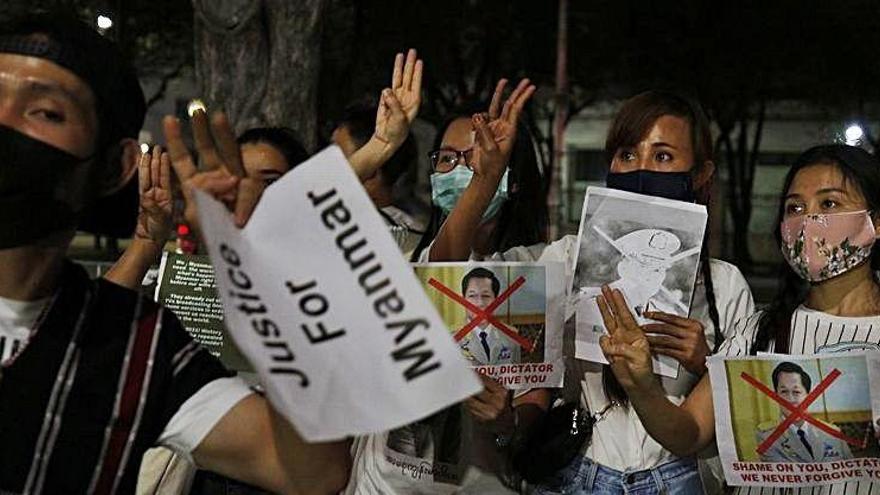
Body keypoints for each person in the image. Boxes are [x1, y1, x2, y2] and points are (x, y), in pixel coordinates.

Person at [0, 12, 349, 494]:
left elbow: (315, 470)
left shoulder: (138, 350)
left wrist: (260, 269)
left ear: (113, 166)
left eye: (44, 111)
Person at [429, 90, 754, 494]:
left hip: (675, 474)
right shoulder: (565, 259)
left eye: (663, 156)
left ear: (701, 174)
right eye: (628, 155)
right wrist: (484, 180)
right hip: (580, 470)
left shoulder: (725, 286)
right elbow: (444, 276)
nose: (642, 169)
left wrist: (706, 363)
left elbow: (745, 420)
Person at [599, 144, 880, 494]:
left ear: (876, 222)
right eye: (795, 207)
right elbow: (689, 433)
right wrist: (642, 385)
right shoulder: (757, 333)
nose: (808, 220)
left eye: (829, 204)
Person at [344, 79, 551, 494]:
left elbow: (536, 393)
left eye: (474, 158)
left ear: (514, 175)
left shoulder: (540, 267)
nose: (459, 171)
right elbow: (445, 265)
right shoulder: (405, 256)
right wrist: (482, 179)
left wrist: (506, 421)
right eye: (446, 160)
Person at [103, 126, 309, 291]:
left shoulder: (325, 276)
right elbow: (95, 324)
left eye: (270, 182)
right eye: (238, 182)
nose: (248, 195)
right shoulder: (199, 283)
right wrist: (147, 241)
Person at [755, 362, 852, 463]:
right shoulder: (767, 437)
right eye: (784, 392)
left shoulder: (833, 433)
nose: (791, 400)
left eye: (796, 392)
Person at [459, 267, 521, 365]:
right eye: (472, 296)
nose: (480, 303)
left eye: (486, 296)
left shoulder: (511, 336)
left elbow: (515, 375)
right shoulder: (450, 339)